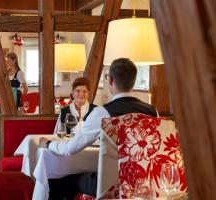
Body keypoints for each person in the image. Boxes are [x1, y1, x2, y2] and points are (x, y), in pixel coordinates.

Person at [39, 58, 157, 200]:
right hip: (144, 182)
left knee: (58, 180)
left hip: (111, 185)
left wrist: (48, 143)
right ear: (134, 80)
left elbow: (69, 149)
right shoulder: (153, 111)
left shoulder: (102, 113)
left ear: (111, 80)